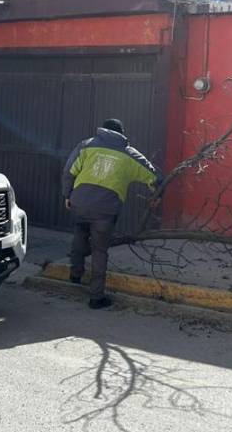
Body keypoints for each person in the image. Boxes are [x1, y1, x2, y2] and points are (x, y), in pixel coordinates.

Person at [61, 118, 159, 309]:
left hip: (80, 202)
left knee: (79, 236)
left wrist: (67, 194)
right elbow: (153, 175)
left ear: (103, 130)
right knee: (99, 250)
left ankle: (75, 274)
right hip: (105, 210)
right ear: (122, 133)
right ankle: (96, 298)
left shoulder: (86, 145)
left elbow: (69, 171)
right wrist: (157, 192)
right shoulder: (129, 154)